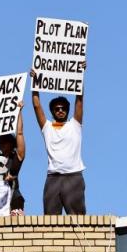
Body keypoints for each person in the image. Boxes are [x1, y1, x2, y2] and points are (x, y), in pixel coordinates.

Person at [29, 64, 86, 215]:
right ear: (53, 112)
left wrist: (80, 76)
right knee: (50, 221)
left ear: (67, 111)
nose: (60, 110)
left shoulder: (75, 124)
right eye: (57, 109)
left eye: (63, 108)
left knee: (78, 219)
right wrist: (34, 84)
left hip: (73, 176)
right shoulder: (47, 127)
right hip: (53, 178)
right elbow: (36, 106)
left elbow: (79, 101)